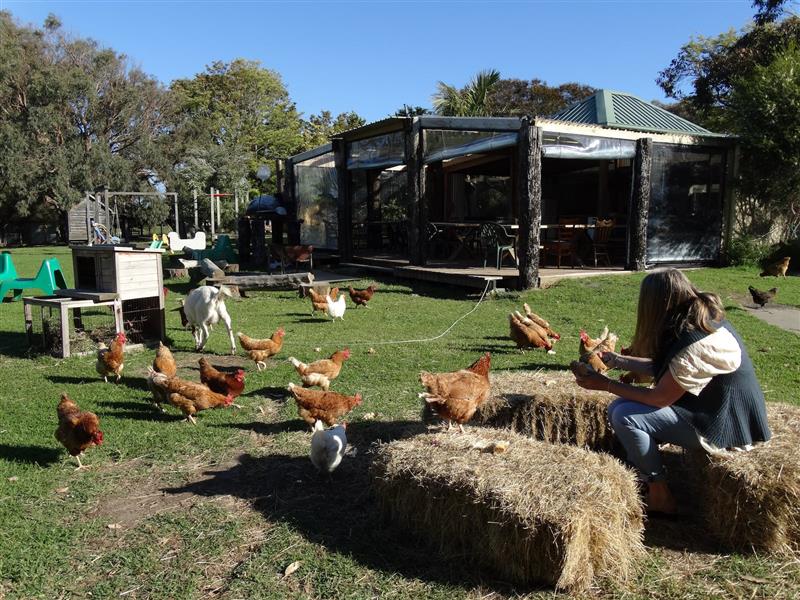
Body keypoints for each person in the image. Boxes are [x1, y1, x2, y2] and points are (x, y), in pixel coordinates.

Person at [573, 268, 771, 514]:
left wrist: (606, 384)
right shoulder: (700, 320)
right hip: (715, 411)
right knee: (619, 407)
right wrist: (618, 360)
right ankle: (646, 472)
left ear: (656, 304)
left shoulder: (697, 344)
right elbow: (671, 369)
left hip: (725, 427)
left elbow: (659, 397)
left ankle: (659, 494)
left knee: (625, 415)